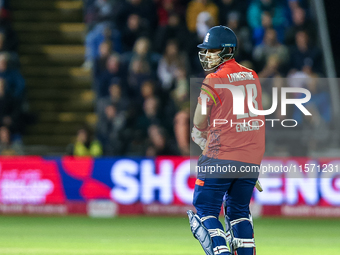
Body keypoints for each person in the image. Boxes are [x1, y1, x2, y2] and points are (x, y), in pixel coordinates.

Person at [188, 26, 265, 255]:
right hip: (251, 158)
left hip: (220, 156)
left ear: (227, 50)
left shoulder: (214, 78)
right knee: (239, 211)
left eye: (212, 50)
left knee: (206, 211)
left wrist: (199, 133)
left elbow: (200, 120)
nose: (207, 55)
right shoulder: (252, 75)